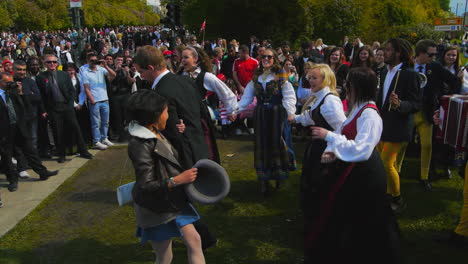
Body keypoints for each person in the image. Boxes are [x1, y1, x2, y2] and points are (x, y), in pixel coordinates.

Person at [308, 67, 400, 264]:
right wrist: (332, 150)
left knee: (363, 218)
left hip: (365, 173)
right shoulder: (358, 107)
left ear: (358, 86)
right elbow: (345, 134)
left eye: (349, 84)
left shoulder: (370, 114)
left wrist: (328, 136)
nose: (345, 88)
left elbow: (362, 149)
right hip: (352, 168)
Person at [133, 45, 218, 251]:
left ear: (151, 67)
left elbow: (169, 130)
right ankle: (199, 240)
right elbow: (201, 112)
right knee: (183, 199)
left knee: (180, 200)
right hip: (198, 145)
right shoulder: (185, 80)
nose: (141, 76)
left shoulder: (161, 92)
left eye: (141, 71)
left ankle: (202, 240)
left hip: (181, 154)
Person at [127, 90, 205, 264]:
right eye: (166, 112)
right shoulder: (140, 144)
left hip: (172, 201)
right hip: (156, 208)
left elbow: (172, 157)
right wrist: (178, 180)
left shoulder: (155, 133)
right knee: (164, 256)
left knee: (195, 241)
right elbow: (146, 185)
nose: (168, 116)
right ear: (154, 116)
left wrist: (181, 134)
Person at [234, 48, 297, 194]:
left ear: (274, 59)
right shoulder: (256, 78)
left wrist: (290, 113)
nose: (266, 59)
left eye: (269, 57)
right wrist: (235, 111)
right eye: (263, 57)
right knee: (262, 146)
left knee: (278, 144)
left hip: (277, 115)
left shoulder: (281, 77)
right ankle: (264, 179)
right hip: (261, 115)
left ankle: (279, 177)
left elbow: (289, 96)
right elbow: (246, 98)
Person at [377, 38, 420, 212]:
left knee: (386, 163)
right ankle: (388, 193)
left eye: (387, 50)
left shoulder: (410, 74)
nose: (383, 53)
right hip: (383, 124)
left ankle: (397, 197)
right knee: (385, 164)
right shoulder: (384, 72)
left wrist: (400, 104)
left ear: (398, 53)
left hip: (399, 126)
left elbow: (416, 104)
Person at [412, 40, 461, 191]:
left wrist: (443, 100)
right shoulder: (407, 66)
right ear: (420, 53)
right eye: (431, 54)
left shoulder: (435, 66)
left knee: (427, 145)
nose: (434, 57)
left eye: (435, 54)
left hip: (427, 112)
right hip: (408, 111)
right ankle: (395, 172)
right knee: (402, 144)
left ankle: (424, 177)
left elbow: (454, 82)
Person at [0, 72, 58, 192]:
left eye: (11, 81)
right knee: (7, 156)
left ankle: (42, 172)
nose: (10, 84)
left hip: (19, 127)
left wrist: (20, 92)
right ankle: (12, 180)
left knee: (30, 150)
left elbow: (25, 106)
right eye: (7, 82)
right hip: (5, 130)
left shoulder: (13, 92)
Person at [179, 46, 238, 162]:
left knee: (205, 150)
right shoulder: (180, 76)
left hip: (200, 118)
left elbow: (225, 92)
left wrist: (231, 110)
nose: (183, 60)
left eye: (186, 57)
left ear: (195, 58)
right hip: (184, 118)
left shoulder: (205, 76)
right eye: (182, 58)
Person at [36, 54, 93, 163]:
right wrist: (43, 110)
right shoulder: (41, 77)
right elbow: (41, 96)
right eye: (49, 62)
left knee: (76, 128)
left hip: (66, 106)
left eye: (54, 62)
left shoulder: (63, 75)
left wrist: (70, 104)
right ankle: (61, 154)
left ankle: (83, 151)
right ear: (45, 64)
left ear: (57, 63)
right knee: (58, 132)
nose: (52, 64)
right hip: (53, 108)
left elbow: (71, 91)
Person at [81, 53, 117, 150]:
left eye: (95, 60)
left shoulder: (101, 70)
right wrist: (92, 100)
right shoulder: (85, 73)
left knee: (105, 121)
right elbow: (86, 88)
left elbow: (114, 75)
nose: (94, 62)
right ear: (88, 61)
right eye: (91, 60)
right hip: (95, 101)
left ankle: (104, 138)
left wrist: (106, 66)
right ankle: (96, 141)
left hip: (105, 99)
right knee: (96, 122)